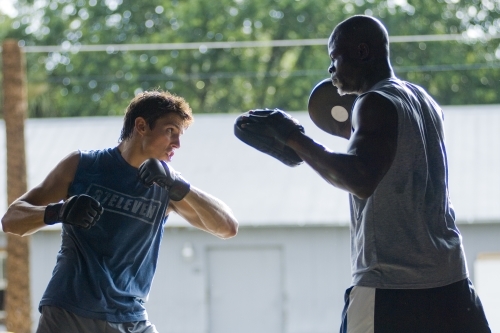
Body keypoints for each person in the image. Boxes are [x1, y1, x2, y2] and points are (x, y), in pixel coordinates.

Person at [248, 15, 491, 332]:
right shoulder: (424, 101)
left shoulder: (373, 101)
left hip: (392, 285)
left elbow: (360, 179)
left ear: (362, 52)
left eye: (335, 57)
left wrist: (293, 137)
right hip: (451, 281)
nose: (331, 69)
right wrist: (305, 151)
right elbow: (387, 155)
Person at [1, 90, 238, 333]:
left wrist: (179, 187)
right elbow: (11, 219)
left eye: (180, 136)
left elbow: (228, 227)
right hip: (69, 312)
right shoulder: (83, 165)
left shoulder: (168, 187)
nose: (177, 144)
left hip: (130, 317)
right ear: (142, 126)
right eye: (170, 131)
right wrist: (58, 212)